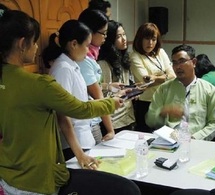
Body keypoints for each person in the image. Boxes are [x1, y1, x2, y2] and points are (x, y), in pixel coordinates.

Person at [0, 10, 140, 195]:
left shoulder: (7, 79)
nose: (36, 48)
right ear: (21, 44)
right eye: (34, 42)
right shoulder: (38, 83)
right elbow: (78, 108)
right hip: (34, 178)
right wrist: (112, 103)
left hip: (10, 172)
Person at [146, 45, 215, 140]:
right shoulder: (164, 89)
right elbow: (150, 120)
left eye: (182, 61)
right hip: (170, 140)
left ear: (194, 62)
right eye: (174, 63)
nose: (178, 67)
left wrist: (195, 138)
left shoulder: (209, 90)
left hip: (198, 141)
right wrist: (163, 112)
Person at [77, 8, 116, 144]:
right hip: (88, 123)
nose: (105, 37)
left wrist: (109, 86)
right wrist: (110, 130)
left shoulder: (89, 57)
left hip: (91, 120)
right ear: (90, 32)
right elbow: (98, 97)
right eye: (103, 33)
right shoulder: (84, 60)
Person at [130, 22, 176, 132]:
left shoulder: (161, 52)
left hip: (165, 100)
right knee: (146, 136)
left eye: (154, 39)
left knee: (165, 136)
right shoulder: (135, 56)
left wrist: (155, 78)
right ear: (140, 39)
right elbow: (145, 81)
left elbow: (173, 76)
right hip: (146, 103)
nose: (150, 43)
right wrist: (164, 76)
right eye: (147, 38)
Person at [98, 20, 136, 133]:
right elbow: (103, 92)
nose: (124, 39)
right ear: (110, 40)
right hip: (113, 120)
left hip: (128, 116)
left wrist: (133, 90)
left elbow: (120, 87)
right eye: (118, 36)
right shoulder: (103, 63)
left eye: (124, 34)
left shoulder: (123, 58)